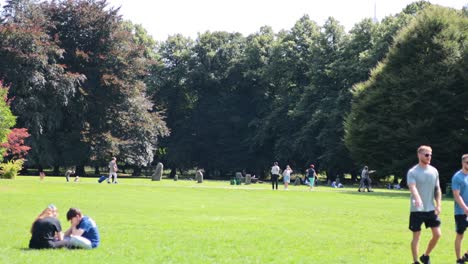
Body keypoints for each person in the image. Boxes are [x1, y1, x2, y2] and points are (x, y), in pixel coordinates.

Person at [407, 145, 441, 264]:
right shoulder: (413, 172)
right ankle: (415, 261)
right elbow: (412, 187)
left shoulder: (434, 171)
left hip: (431, 209)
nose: (429, 157)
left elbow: (437, 189)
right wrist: (417, 198)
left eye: (430, 154)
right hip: (417, 210)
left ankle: (425, 256)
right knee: (416, 236)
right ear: (419, 155)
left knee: (437, 234)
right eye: (426, 154)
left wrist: (439, 204)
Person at [452, 154, 468, 264]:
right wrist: (465, 208)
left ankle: (466, 255)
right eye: (467, 162)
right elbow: (456, 196)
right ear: (463, 162)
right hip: (460, 212)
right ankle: (459, 260)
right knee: (460, 234)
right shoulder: (457, 177)